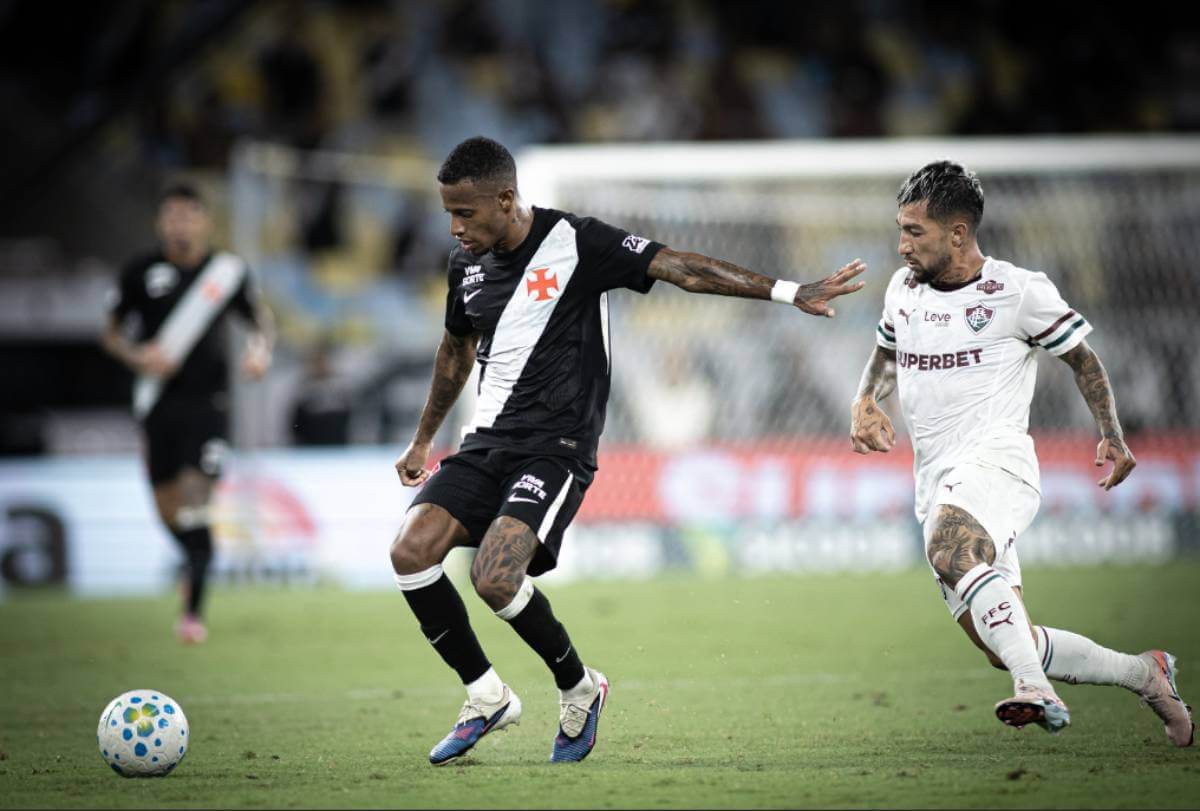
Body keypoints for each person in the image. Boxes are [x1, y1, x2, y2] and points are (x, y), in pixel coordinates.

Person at [391, 136, 866, 765]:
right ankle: (486, 695)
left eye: (465, 213)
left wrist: (786, 291)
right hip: (487, 443)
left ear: (505, 199)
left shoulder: (577, 243)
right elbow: (454, 352)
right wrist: (424, 438)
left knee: (494, 578)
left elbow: (681, 268)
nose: (453, 228)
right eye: (448, 213)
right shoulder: (466, 266)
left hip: (556, 447)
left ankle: (579, 687)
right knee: (409, 553)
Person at [849, 160, 1193, 746]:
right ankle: (1146, 674)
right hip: (934, 480)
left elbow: (1082, 359)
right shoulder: (902, 289)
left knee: (948, 548)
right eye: (900, 229)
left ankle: (1035, 688)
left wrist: (1111, 431)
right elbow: (886, 352)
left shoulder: (1016, 290)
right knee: (1003, 639)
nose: (901, 244)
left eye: (914, 232)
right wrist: (864, 402)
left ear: (958, 234)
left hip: (999, 465)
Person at [101, 183, 274, 644]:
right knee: (168, 511)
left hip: (209, 406)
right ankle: (196, 559)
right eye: (172, 215)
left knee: (198, 502)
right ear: (161, 222)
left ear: (204, 221)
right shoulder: (140, 271)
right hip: (157, 404)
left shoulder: (226, 272)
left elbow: (260, 320)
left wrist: (259, 352)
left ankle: (191, 616)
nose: (180, 223)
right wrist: (139, 356)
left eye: (189, 215)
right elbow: (111, 333)